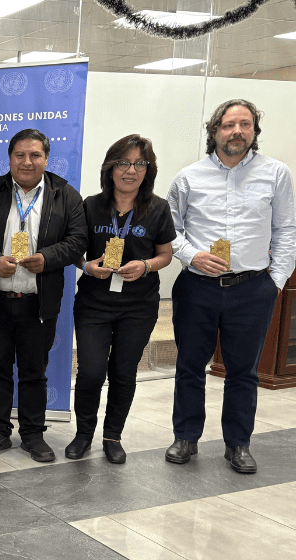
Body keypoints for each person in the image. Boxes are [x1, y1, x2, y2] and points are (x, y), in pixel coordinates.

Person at [165, 99, 296, 474]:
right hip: (198, 288)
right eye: (228, 125)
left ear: (254, 131)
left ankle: (238, 444)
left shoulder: (276, 174)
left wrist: (275, 282)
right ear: (215, 130)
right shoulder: (188, 176)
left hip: (253, 288)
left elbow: (287, 229)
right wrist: (192, 256)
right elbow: (168, 231)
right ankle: (186, 437)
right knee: (190, 366)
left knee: (244, 371)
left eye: (245, 124)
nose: (236, 131)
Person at [0, 128, 87, 463]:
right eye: (20, 155)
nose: (27, 162)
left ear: (46, 158)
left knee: (34, 372)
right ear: (10, 158)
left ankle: (32, 434)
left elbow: (78, 239)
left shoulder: (65, 195)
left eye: (35, 155)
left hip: (38, 304)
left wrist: (48, 259)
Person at [65, 134, 174, 464]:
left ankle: (113, 437)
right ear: (110, 168)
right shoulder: (90, 205)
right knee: (91, 373)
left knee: (124, 373)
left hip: (138, 306)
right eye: (124, 162)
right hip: (94, 304)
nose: (131, 170)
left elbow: (166, 254)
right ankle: (83, 434)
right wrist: (87, 265)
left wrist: (145, 265)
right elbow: (74, 252)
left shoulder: (158, 208)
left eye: (140, 164)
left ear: (148, 170)